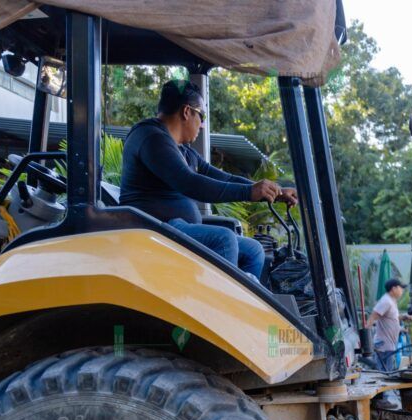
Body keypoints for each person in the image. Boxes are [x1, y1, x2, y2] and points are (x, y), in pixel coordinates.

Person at [119, 80, 297, 279]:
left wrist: (275, 192)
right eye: (201, 116)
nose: (202, 126)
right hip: (153, 230)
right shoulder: (151, 138)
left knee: (254, 250)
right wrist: (249, 192)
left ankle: (240, 304)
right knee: (224, 239)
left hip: (175, 229)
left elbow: (224, 177)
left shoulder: (183, 150)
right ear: (187, 112)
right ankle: (222, 304)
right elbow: (189, 183)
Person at [366, 278, 412, 373]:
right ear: (394, 288)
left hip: (389, 346)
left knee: (387, 373)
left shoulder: (392, 301)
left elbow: (391, 318)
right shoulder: (386, 301)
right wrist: (366, 341)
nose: (402, 291)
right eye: (400, 288)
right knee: (383, 375)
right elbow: (373, 316)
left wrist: (403, 318)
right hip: (383, 347)